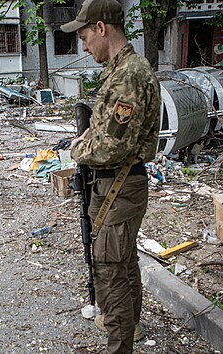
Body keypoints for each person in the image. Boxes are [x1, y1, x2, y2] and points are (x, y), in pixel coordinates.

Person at [61, 0, 161, 352]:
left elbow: (111, 149)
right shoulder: (124, 70)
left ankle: (120, 344)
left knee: (111, 271)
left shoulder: (130, 75)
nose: (84, 47)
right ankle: (130, 328)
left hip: (118, 184)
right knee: (122, 262)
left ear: (102, 28)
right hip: (116, 184)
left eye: (86, 37)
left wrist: (77, 149)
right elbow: (114, 133)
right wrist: (94, 136)